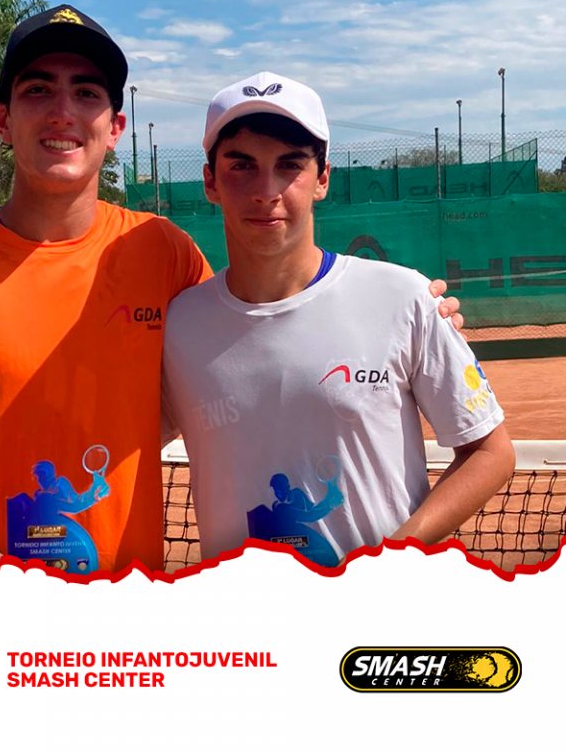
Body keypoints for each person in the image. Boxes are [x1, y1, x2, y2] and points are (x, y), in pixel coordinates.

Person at [0, 7, 461, 575]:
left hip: (123, 618)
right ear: (2, 119)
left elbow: (253, 331)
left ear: (115, 127)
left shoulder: (163, 252)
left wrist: (412, 315)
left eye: (86, 92)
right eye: (37, 89)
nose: (62, 111)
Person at [161, 72, 515, 568]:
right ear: (210, 182)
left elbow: (490, 452)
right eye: (242, 165)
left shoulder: (404, 297)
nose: (266, 190)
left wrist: (393, 558)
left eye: (290, 165)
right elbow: (114, 440)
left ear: (323, 178)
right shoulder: (178, 324)